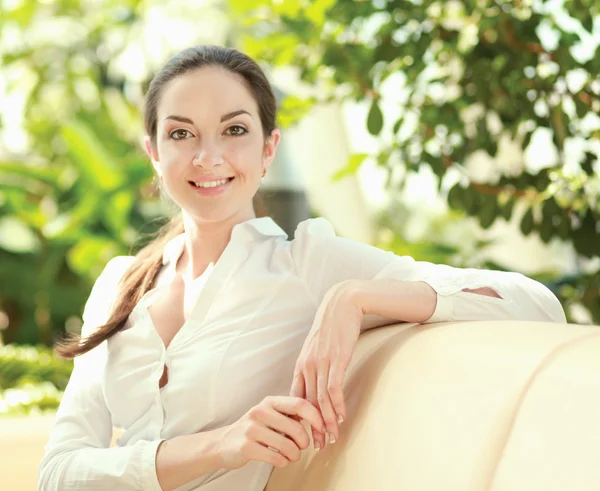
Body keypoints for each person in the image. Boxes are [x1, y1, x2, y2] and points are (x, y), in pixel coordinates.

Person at [38, 45, 566, 491]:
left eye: (234, 130)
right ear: (153, 151)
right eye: (181, 134)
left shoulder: (305, 263)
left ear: (269, 150)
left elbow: (534, 304)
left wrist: (353, 297)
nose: (208, 156)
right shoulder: (118, 285)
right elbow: (57, 473)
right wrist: (220, 445)